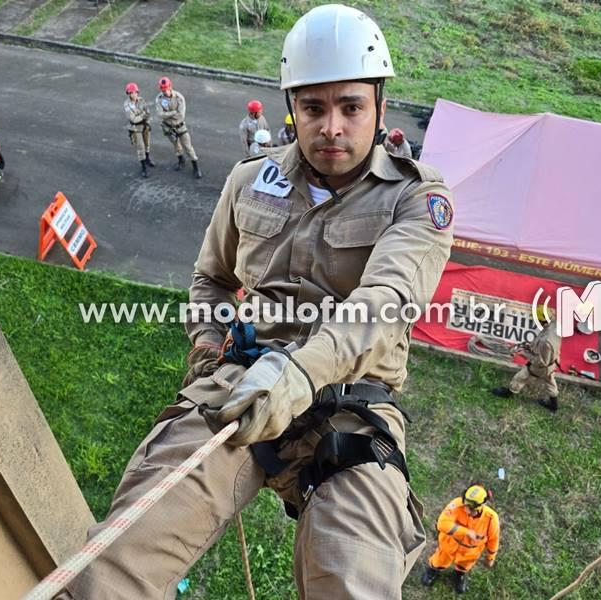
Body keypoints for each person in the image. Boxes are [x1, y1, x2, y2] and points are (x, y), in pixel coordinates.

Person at [56, 5, 453, 599]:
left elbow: (384, 304)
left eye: (351, 107)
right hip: (240, 385)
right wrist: (209, 344)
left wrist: (297, 372)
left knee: (355, 579)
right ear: (292, 107)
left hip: (352, 404)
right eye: (314, 108)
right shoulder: (250, 180)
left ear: (379, 107)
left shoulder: (416, 200)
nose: (332, 127)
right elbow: (210, 278)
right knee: (118, 562)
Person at [420, 484, 499, 594]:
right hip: (449, 544)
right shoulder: (456, 504)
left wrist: (491, 557)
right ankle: (433, 570)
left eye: (471, 509)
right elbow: (442, 524)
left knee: (464, 565)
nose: (467, 510)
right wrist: (467, 532)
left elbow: (493, 539)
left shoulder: (491, 519)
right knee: (440, 561)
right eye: (466, 506)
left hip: (470, 552)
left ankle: (460, 575)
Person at [492, 305, 562, 412]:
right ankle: (554, 405)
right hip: (553, 363)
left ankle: (508, 393)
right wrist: (531, 347)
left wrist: (524, 354)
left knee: (520, 377)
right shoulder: (554, 325)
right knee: (550, 382)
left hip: (542, 367)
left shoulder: (546, 342)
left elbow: (541, 362)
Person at [155, 76, 202, 179]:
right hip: (168, 127)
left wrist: (167, 114)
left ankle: (195, 166)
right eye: (163, 89)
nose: (165, 91)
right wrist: (173, 112)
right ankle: (181, 160)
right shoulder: (159, 99)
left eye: (166, 88)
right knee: (176, 145)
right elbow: (160, 114)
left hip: (180, 126)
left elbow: (181, 115)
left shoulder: (179, 97)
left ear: (170, 86)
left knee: (188, 146)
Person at [123, 82, 155, 178]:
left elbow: (148, 112)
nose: (133, 95)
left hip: (145, 125)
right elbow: (133, 119)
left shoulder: (141, 100)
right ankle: (143, 167)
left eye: (135, 92)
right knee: (140, 147)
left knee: (147, 144)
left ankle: (147, 159)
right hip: (135, 128)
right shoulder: (127, 105)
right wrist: (143, 116)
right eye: (131, 93)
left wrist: (145, 118)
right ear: (128, 94)